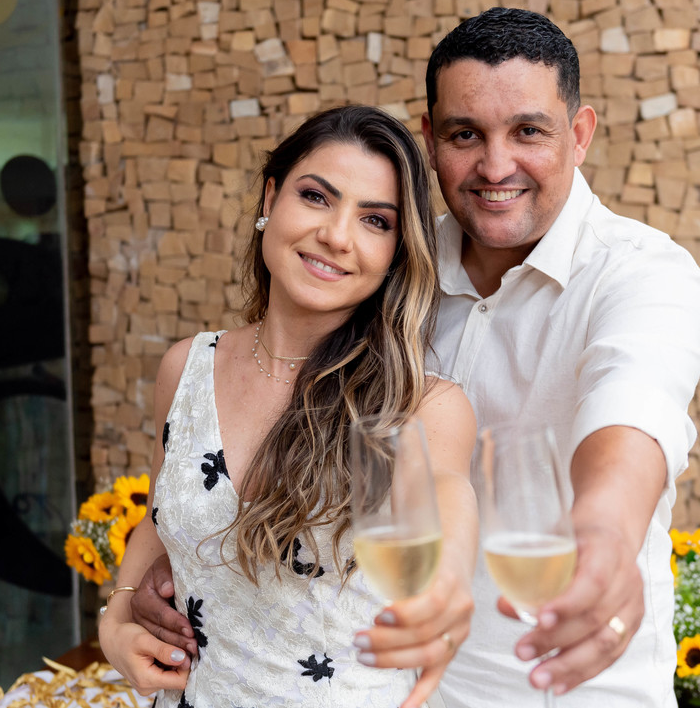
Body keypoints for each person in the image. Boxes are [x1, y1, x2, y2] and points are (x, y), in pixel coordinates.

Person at [99, 105, 477, 708]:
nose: (337, 236)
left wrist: (449, 585)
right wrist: (116, 617)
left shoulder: (421, 405)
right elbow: (159, 517)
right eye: (316, 197)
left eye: (375, 220)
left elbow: (449, 499)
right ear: (271, 198)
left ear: (396, 252)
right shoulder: (186, 368)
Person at [418, 8, 700, 706]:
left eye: (529, 131)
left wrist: (605, 531)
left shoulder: (643, 272)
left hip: (581, 689)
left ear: (579, 135)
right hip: (407, 685)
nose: (496, 167)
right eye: (465, 134)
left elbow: (634, 408)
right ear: (429, 140)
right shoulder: (393, 268)